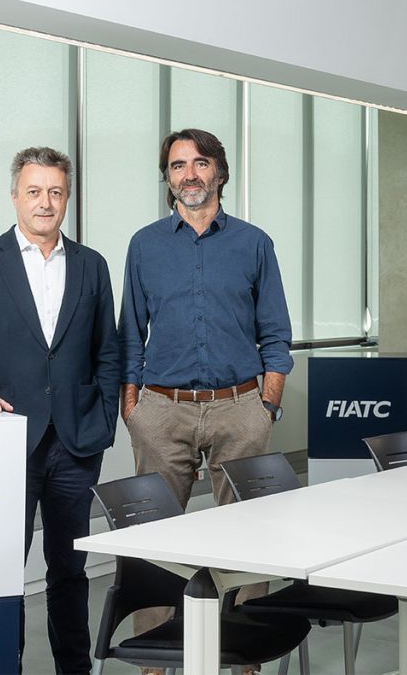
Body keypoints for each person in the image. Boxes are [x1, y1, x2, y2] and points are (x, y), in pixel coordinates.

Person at [0, 146, 118, 674]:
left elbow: (107, 352)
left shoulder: (91, 265)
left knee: (70, 570)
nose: (45, 202)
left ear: (67, 198)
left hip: (77, 443)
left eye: (55, 192)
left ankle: (74, 670)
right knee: (3, 572)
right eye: (34, 191)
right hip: (8, 439)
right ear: (15, 196)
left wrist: (104, 421)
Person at [118, 129, 293, 671]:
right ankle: (155, 659)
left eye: (199, 163)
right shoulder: (145, 245)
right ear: (167, 177)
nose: (189, 174)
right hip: (160, 409)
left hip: (240, 409)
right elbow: (130, 332)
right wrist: (132, 407)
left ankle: (245, 657)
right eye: (177, 165)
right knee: (154, 539)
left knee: (249, 533)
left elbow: (275, 332)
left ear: (219, 171)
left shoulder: (254, 243)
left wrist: (267, 403)